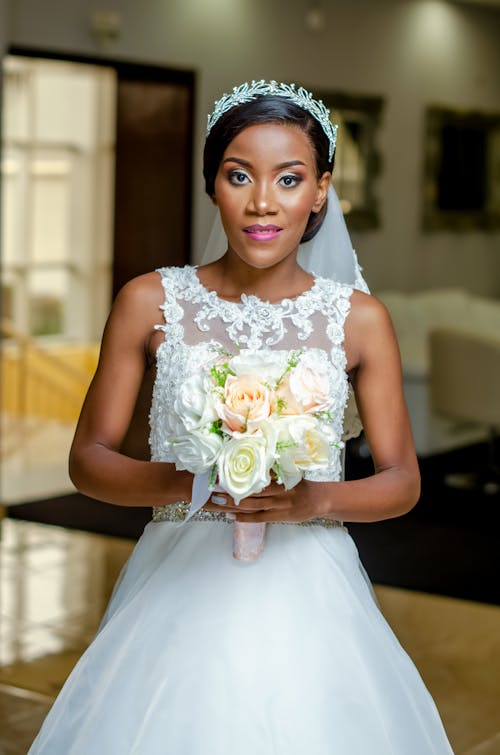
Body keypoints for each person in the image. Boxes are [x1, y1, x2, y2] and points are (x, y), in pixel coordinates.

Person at [28, 80, 454, 754]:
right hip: (175, 581)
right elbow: (88, 460)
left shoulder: (360, 320)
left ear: (320, 191)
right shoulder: (149, 301)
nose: (262, 202)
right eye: (238, 175)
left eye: (289, 179)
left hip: (310, 585)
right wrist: (185, 481)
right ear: (212, 185)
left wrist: (311, 497)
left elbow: (402, 480)